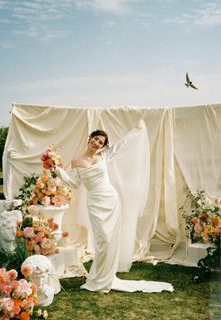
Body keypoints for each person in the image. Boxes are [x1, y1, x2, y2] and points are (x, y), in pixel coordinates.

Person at [47, 120, 173, 293]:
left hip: (111, 201)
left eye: (101, 142)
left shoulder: (104, 156)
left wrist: (136, 131)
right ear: (89, 139)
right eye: (96, 139)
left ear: (102, 146)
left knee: (110, 241)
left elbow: (122, 145)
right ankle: (98, 277)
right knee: (102, 241)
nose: (97, 142)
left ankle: (106, 277)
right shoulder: (76, 161)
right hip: (94, 203)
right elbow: (74, 183)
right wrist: (58, 171)